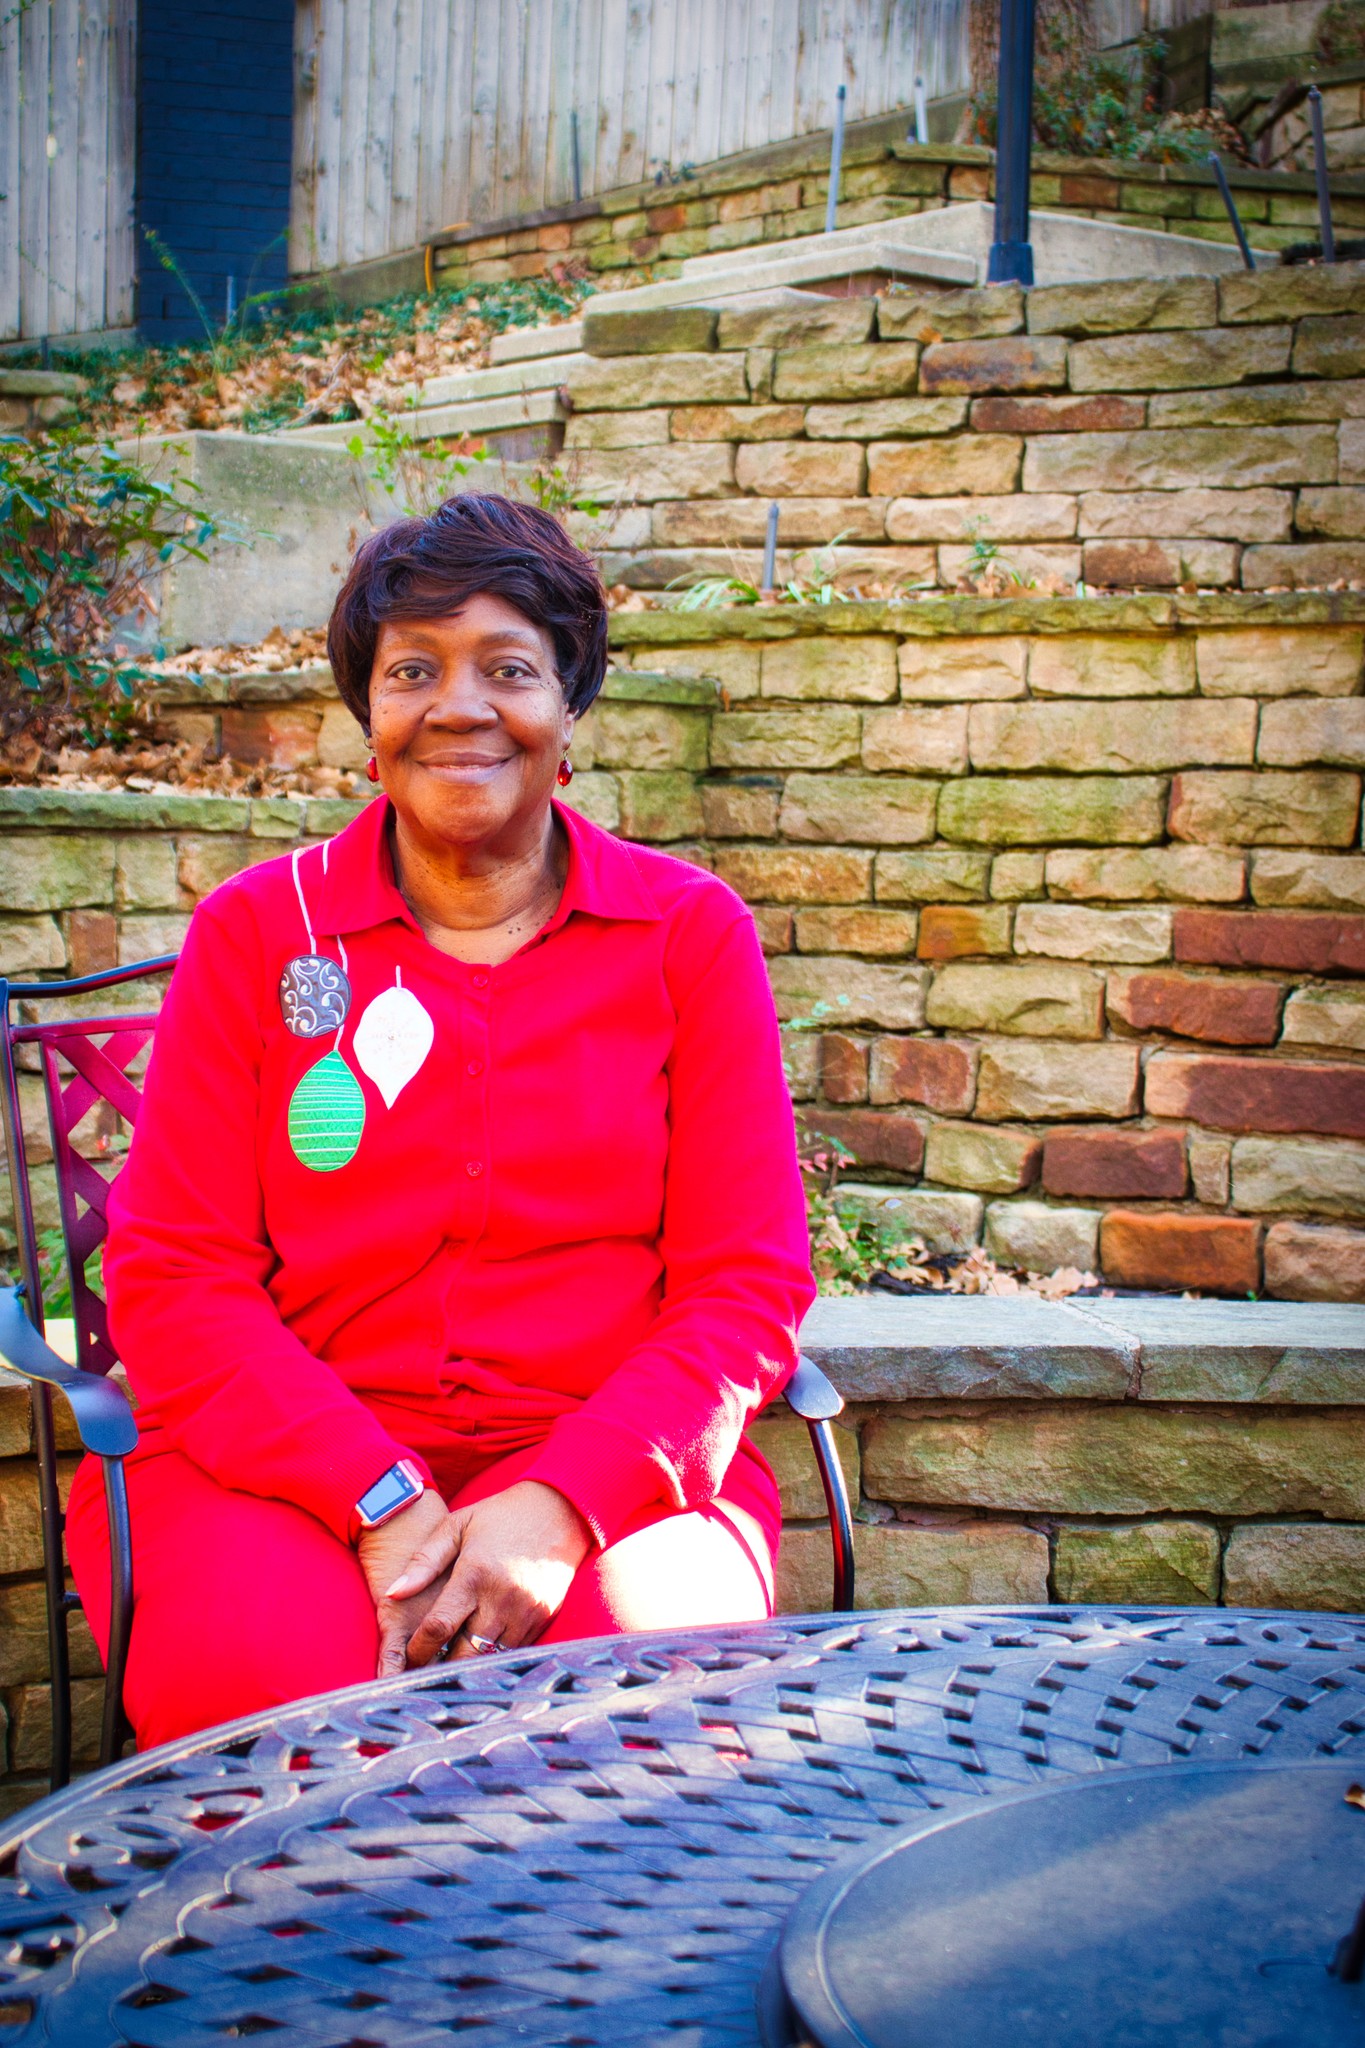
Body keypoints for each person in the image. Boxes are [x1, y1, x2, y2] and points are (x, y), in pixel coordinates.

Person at [67, 492, 815, 1749]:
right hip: (277, 1464)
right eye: (414, 668)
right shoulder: (260, 935)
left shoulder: (688, 936)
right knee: (272, 1721)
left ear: (569, 705)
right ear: (370, 713)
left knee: (645, 1724)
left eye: (509, 668)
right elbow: (175, 1275)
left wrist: (566, 1499)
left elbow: (744, 1287)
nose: (461, 706)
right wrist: (373, 1494)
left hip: (610, 1465)